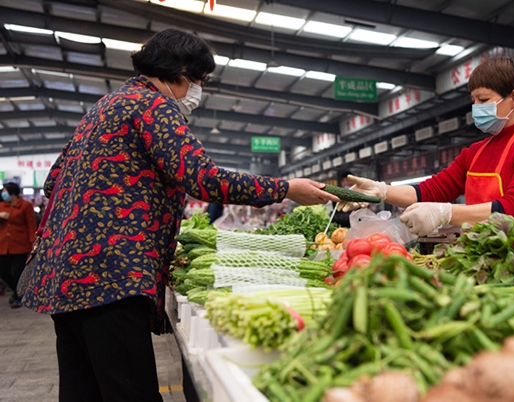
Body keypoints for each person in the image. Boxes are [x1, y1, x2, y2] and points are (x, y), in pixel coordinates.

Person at [21, 29, 338, 402]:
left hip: (65, 275)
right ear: (180, 71)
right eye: (198, 81)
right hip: (111, 275)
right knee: (130, 392)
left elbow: (52, 180)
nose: (197, 90)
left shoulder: (104, 107)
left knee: (82, 391)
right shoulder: (152, 106)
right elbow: (203, 178)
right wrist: (285, 188)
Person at [340, 55, 514, 237]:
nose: (476, 108)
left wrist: (446, 213)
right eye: (473, 101)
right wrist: (382, 190)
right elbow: (430, 191)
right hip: (485, 255)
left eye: (483, 99)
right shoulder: (475, 153)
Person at [0, 182, 37, 308]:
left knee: (17, 272)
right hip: (3, 245)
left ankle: (18, 297)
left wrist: (33, 241)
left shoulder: (25, 206)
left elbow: (31, 224)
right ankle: (18, 294)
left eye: (5, 191)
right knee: (3, 271)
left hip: (20, 244)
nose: (3, 194)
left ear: (12, 192)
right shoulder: (1, 206)